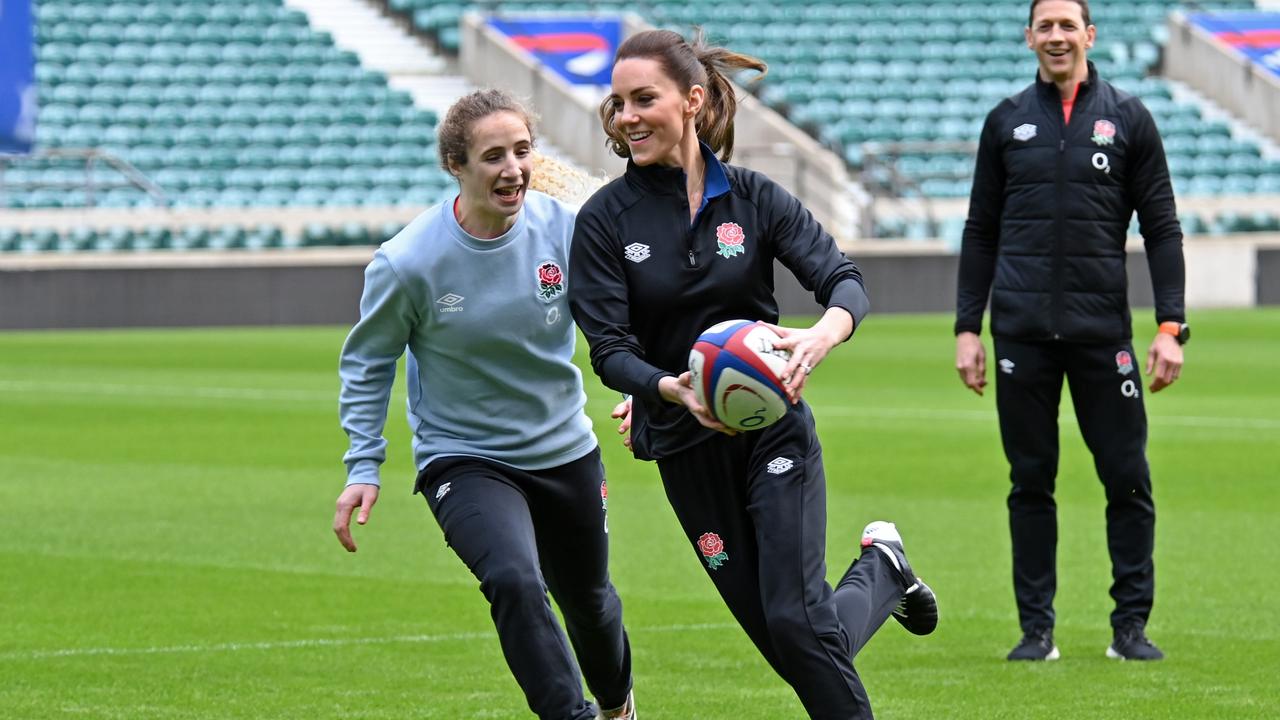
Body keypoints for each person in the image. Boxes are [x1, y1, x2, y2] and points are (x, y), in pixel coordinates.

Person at [568, 29, 938, 719]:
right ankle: (884, 569)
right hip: (682, 445)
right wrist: (666, 387)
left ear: (693, 100)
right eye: (618, 104)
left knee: (801, 630)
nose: (628, 116)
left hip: (774, 431)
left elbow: (843, 281)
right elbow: (609, 350)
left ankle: (881, 572)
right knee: (792, 644)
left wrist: (821, 336)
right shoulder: (602, 222)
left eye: (644, 98)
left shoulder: (756, 198)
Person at [334, 89, 636, 719]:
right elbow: (367, 362)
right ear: (457, 165)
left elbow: (618, 322)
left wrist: (642, 391)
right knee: (515, 582)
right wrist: (364, 464)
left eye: (522, 151)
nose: (512, 168)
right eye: (493, 155)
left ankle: (616, 706)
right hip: (464, 459)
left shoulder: (566, 231)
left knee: (590, 602)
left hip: (564, 450)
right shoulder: (408, 261)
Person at [954, 0, 1187, 663]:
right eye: (1045, 26)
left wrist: (1171, 325)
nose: (1056, 36)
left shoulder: (1129, 118)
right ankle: (1036, 631)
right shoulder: (1006, 122)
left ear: (1089, 34)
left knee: (1128, 480)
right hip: (1021, 335)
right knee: (1031, 481)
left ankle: (1130, 630)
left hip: (1100, 332)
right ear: (1029, 38)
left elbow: (1162, 228)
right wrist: (967, 328)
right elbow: (980, 231)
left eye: (1067, 25)